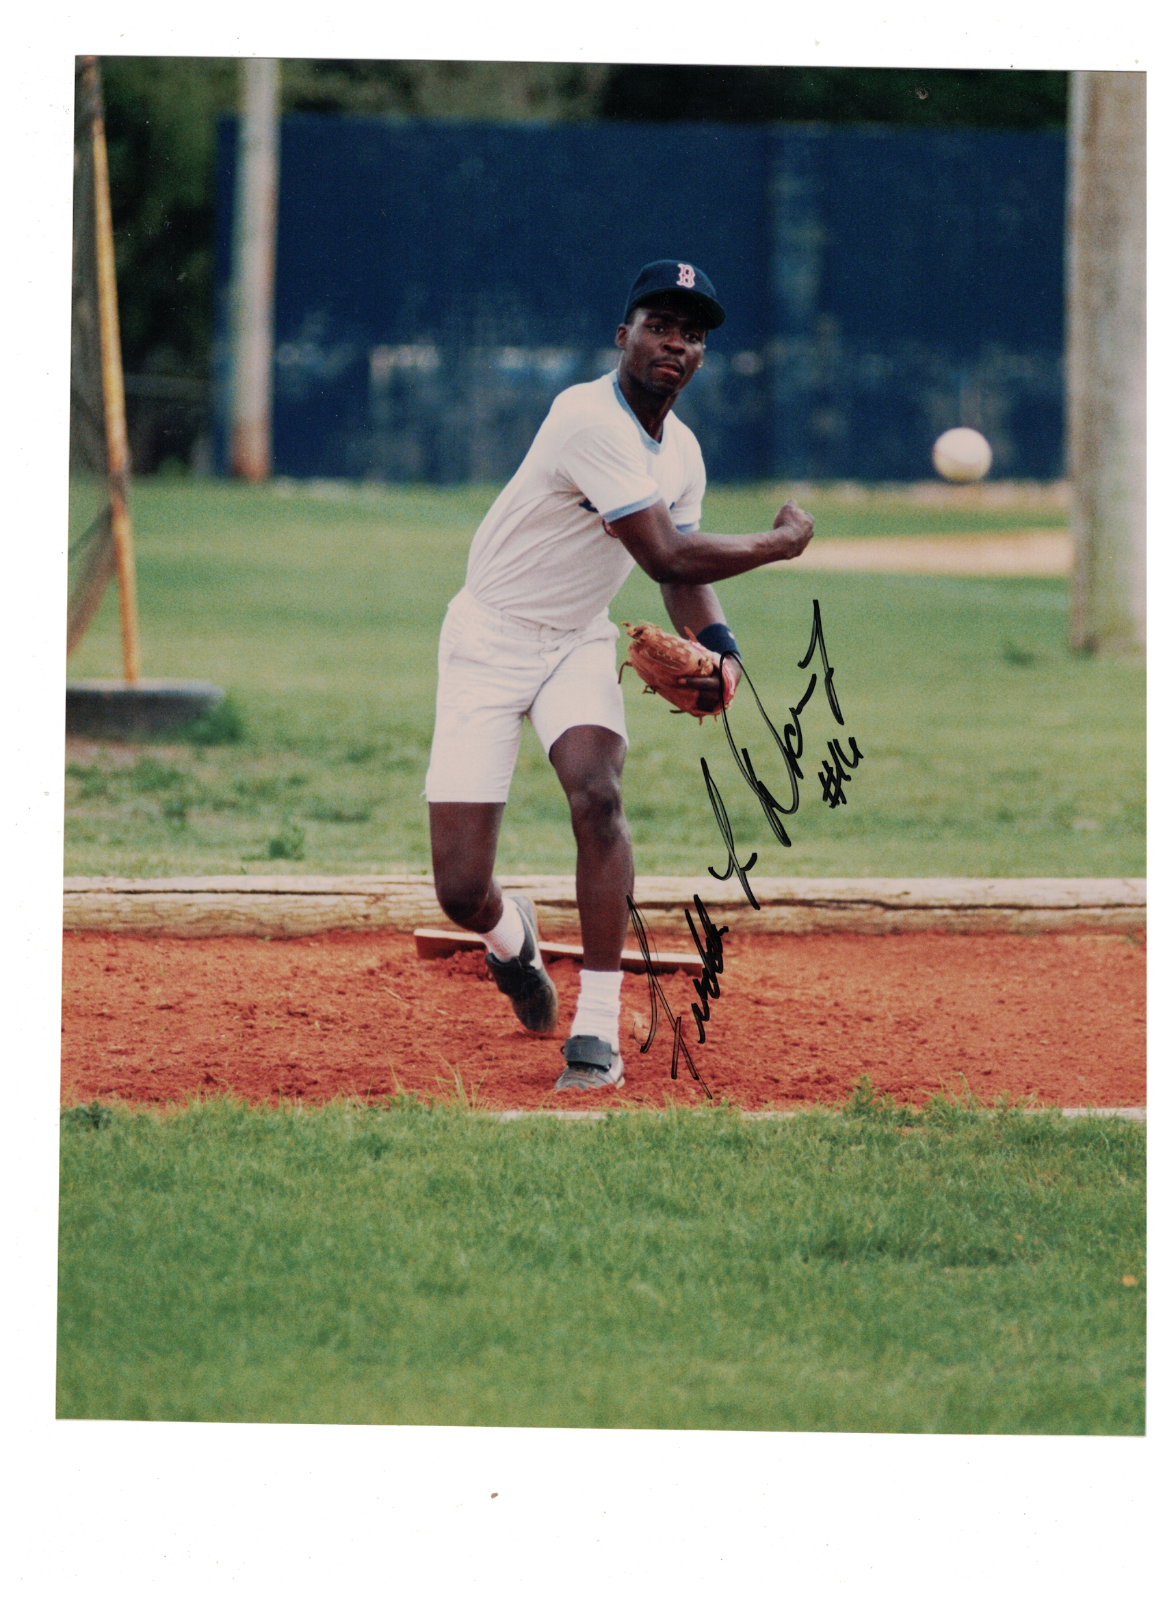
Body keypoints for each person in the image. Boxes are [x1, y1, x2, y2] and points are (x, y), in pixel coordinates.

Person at [424, 260, 813, 1091]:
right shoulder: (585, 416)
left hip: (574, 642)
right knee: (460, 890)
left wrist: (724, 649)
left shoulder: (684, 453)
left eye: (693, 333)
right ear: (622, 335)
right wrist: (778, 546)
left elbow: (679, 581)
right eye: (659, 325)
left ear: (703, 356)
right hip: (486, 641)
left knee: (597, 797)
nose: (675, 342)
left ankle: (594, 1031)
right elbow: (663, 551)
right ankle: (509, 935)